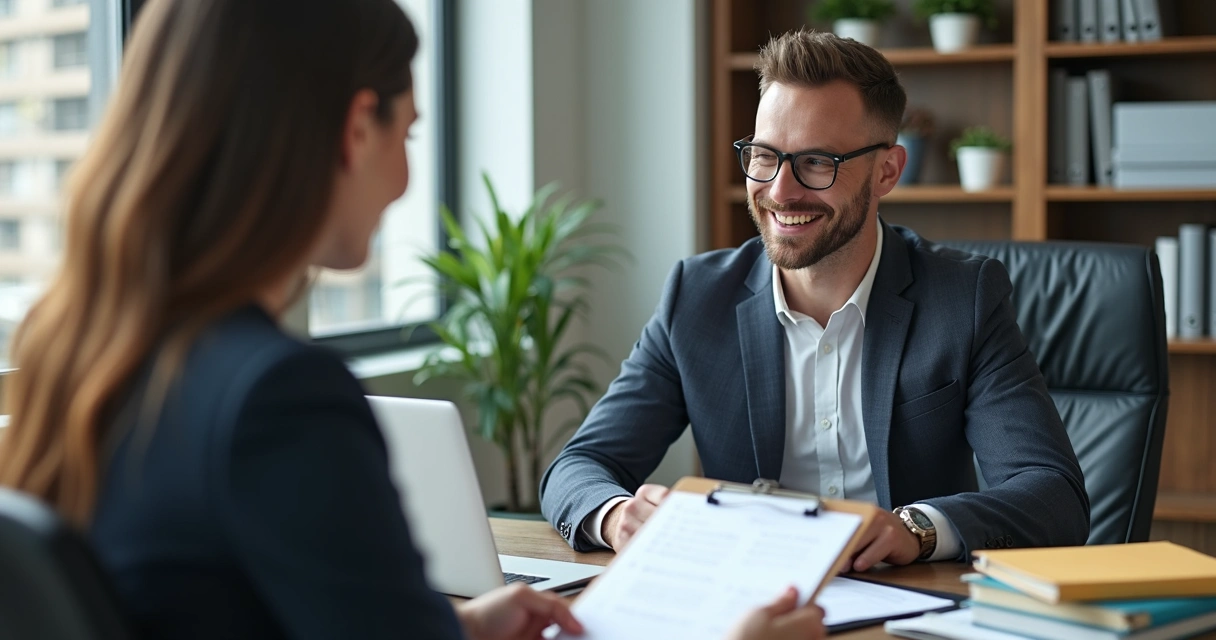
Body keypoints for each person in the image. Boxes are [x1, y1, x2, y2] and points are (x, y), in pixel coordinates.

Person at [0, 1, 827, 639]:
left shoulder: (84, 350)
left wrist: (451, 627)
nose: (403, 180)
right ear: (358, 128)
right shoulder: (277, 396)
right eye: (410, 131)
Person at [540, 29, 1090, 570]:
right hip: (746, 607)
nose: (780, 191)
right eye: (764, 156)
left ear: (887, 172)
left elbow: (1053, 495)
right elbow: (580, 465)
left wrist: (915, 529)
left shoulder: (962, 300)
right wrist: (615, 516)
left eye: (817, 162)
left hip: (907, 608)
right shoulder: (697, 297)